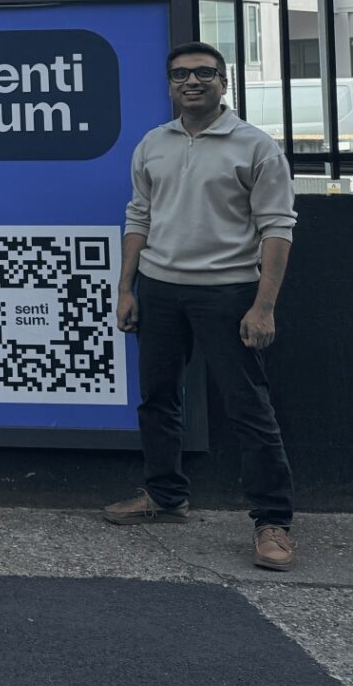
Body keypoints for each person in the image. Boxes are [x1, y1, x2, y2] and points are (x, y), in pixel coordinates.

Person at [102, 42, 297, 572]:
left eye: (204, 73)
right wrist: (127, 288)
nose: (192, 82)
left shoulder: (254, 146)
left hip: (229, 293)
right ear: (169, 84)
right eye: (180, 74)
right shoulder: (152, 144)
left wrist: (265, 306)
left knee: (249, 410)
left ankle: (272, 522)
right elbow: (138, 216)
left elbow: (277, 228)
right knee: (159, 400)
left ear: (224, 81)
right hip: (160, 290)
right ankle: (165, 497)